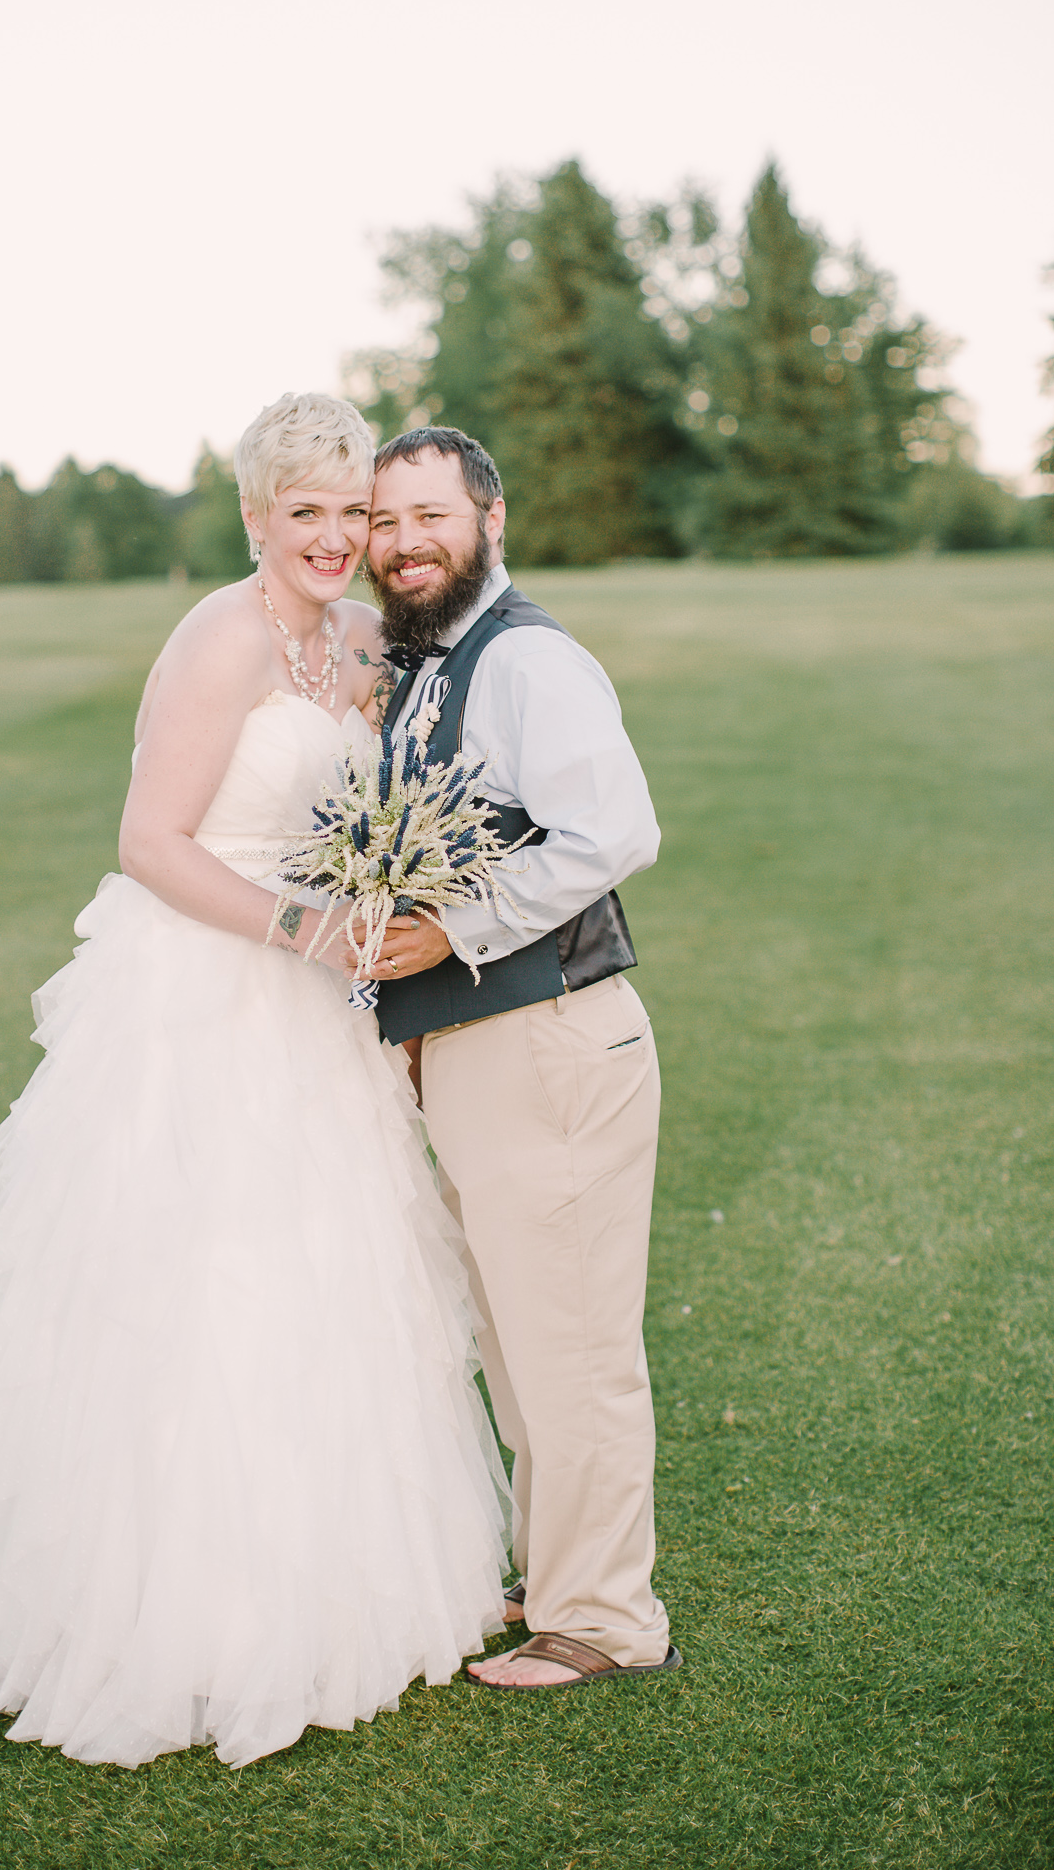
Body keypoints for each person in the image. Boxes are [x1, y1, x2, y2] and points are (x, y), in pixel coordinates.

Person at [0, 394, 509, 1768]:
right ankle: (175, 1616)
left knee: (327, 1272)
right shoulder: (219, 637)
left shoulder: (357, 639)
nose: (336, 539)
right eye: (307, 513)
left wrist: (377, 899)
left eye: (356, 513)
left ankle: (335, 1583)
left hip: (320, 1005)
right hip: (204, 995)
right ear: (257, 517)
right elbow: (150, 839)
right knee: (197, 1282)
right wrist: (301, 927)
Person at [362, 426, 680, 1691]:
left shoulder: (528, 658)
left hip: (549, 1039)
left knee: (575, 1343)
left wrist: (455, 926)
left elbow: (615, 828)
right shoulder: (428, 664)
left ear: (491, 516)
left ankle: (605, 1618)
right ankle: (557, 1575)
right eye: (386, 523)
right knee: (517, 1334)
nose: (404, 542)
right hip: (477, 1048)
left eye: (429, 514)